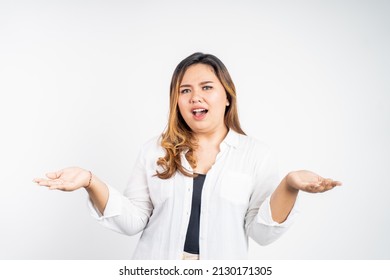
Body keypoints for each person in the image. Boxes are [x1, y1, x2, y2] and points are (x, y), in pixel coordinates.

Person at [34, 52, 341, 260]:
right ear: (177, 100)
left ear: (226, 97)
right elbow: (133, 221)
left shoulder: (257, 155)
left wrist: (289, 185)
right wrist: (90, 180)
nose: (195, 96)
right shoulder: (155, 150)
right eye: (185, 90)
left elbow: (260, 233)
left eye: (207, 87)